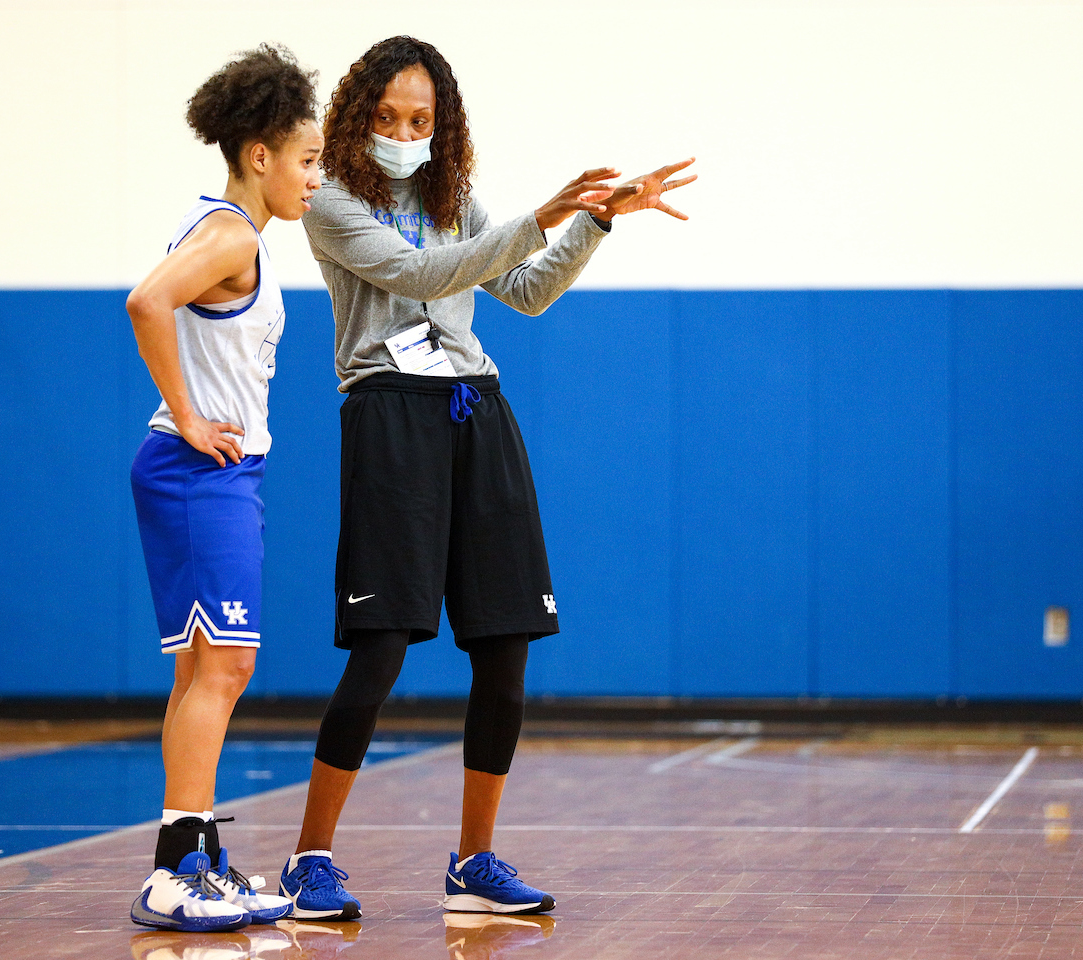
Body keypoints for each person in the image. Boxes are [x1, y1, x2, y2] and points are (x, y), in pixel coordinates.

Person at [277, 35, 695, 920]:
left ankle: (475, 861)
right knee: (382, 647)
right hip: (391, 413)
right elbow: (419, 271)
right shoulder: (331, 202)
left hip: (477, 409)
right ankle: (309, 858)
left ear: (443, 122)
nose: (404, 131)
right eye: (388, 116)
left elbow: (528, 290)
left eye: (421, 119)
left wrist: (596, 219)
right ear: (358, 115)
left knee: (505, 651)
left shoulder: (454, 196)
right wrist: (537, 219)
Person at [127, 44, 323, 932]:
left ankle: (192, 856)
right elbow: (145, 301)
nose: (315, 178)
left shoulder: (232, 230)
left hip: (204, 475)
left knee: (202, 670)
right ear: (261, 156)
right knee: (229, 665)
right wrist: (191, 414)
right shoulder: (231, 233)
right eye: (309, 160)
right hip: (202, 471)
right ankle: (175, 875)